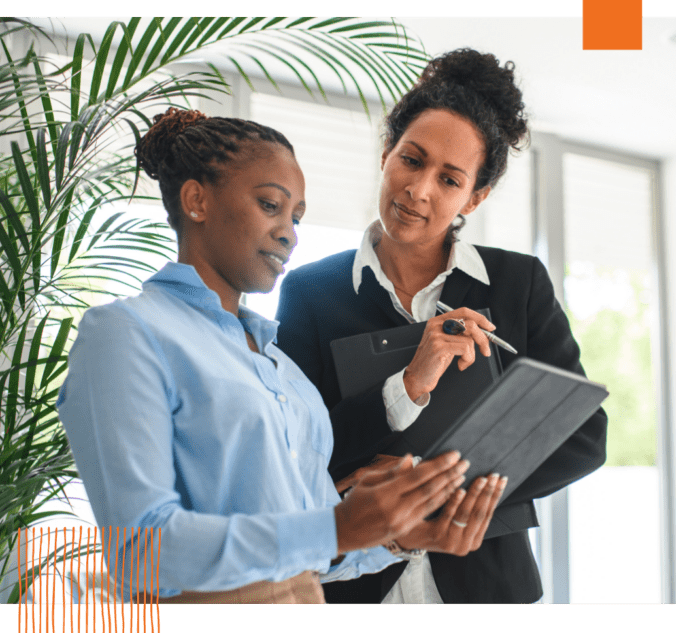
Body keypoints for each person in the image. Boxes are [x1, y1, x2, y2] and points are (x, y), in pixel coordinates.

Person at [56, 107, 507, 605]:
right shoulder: (126, 333)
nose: (289, 232)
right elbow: (142, 552)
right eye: (271, 205)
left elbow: (306, 554)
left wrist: (396, 536)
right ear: (196, 200)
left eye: (296, 216)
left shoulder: (283, 371)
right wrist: (335, 528)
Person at [275, 49, 609, 604]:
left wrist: (432, 494)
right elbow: (297, 453)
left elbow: (581, 435)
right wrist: (403, 388)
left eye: (449, 179)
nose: (419, 189)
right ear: (386, 154)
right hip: (355, 591)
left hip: (489, 591)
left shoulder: (517, 284)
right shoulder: (311, 291)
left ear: (473, 198)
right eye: (411, 159)